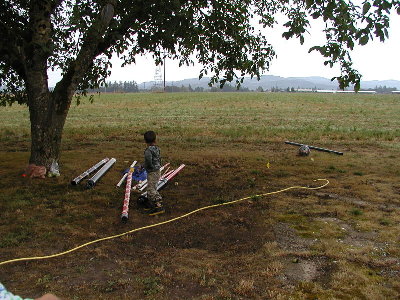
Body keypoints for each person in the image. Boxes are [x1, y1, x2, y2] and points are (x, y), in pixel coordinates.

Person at [143, 131, 164, 215]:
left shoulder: (148, 151)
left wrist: (149, 166)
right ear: (155, 139)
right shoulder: (157, 149)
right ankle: (151, 204)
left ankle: (159, 206)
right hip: (158, 170)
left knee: (151, 189)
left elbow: (148, 160)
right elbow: (159, 159)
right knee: (153, 187)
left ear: (145, 141)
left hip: (152, 172)